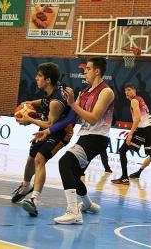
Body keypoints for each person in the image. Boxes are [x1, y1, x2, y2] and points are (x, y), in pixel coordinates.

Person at [53, 56, 115, 225]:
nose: (84, 72)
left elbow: (94, 118)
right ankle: (88, 205)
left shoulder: (106, 92)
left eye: (87, 69)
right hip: (85, 135)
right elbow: (74, 115)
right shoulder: (84, 92)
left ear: (97, 71)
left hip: (97, 137)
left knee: (65, 163)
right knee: (73, 173)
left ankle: (73, 212)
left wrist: (73, 104)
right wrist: (49, 128)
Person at [11, 62, 73, 217]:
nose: (36, 78)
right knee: (31, 158)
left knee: (40, 159)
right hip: (46, 129)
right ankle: (26, 186)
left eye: (39, 76)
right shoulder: (50, 93)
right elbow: (44, 102)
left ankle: (34, 200)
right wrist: (31, 103)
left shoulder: (56, 102)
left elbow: (51, 124)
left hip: (60, 132)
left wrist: (29, 119)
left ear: (48, 80)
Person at [111, 84, 151, 187]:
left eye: (129, 90)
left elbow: (137, 119)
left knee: (123, 150)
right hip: (149, 129)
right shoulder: (140, 98)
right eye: (125, 91)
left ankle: (124, 178)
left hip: (143, 129)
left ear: (134, 91)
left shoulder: (134, 101)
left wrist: (130, 134)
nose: (126, 92)